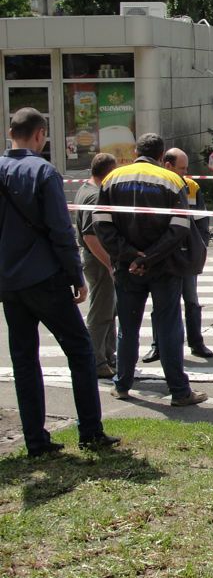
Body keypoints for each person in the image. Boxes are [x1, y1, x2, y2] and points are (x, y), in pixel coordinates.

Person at [0, 108, 119, 455]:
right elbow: (60, 229)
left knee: (24, 359)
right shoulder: (44, 172)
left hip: (9, 281)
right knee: (80, 350)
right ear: (40, 135)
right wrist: (75, 274)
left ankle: (36, 440)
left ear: (11, 133)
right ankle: (91, 431)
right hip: (44, 277)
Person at [94, 133, 207, 407]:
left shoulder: (112, 179)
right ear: (161, 155)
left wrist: (131, 255)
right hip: (164, 267)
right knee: (168, 325)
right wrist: (150, 257)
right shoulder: (172, 180)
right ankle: (179, 391)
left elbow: (101, 224)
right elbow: (179, 229)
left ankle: (122, 385)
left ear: (135, 152)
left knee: (128, 326)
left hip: (127, 268)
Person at [143, 148, 213, 363]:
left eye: (186, 168)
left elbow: (202, 222)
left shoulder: (192, 188)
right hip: (163, 256)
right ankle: (157, 345)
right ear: (167, 166)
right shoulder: (154, 187)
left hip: (187, 255)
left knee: (191, 299)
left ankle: (196, 342)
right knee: (161, 303)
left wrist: (200, 248)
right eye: (181, 169)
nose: (185, 173)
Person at [74, 153, 118, 379]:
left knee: (109, 310)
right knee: (101, 312)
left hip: (94, 258)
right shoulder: (94, 196)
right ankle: (96, 360)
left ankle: (108, 355)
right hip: (97, 259)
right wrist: (110, 264)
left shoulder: (85, 189)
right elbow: (90, 236)